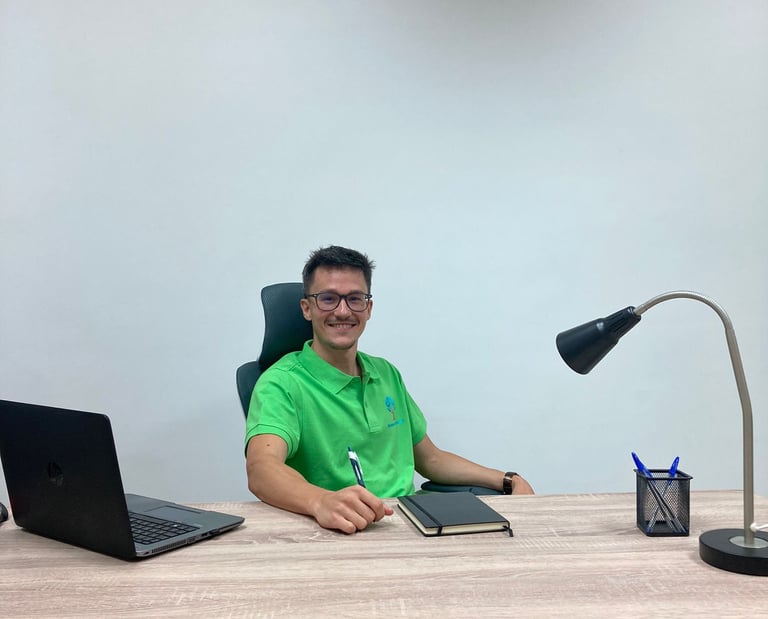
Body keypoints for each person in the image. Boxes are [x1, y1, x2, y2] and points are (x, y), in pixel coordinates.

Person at [245, 245, 533, 534]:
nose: (342, 311)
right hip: (340, 529)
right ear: (307, 309)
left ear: (368, 308)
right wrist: (321, 501)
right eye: (328, 299)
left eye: (355, 299)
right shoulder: (281, 383)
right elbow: (261, 468)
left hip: (412, 522)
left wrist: (507, 479)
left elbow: (430, 459)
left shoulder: (386, 373)